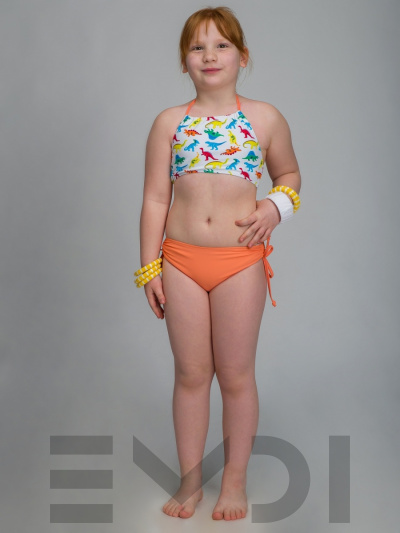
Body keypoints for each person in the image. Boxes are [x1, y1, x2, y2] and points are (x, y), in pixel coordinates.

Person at [136, 6, 301, 521]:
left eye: (222, 45)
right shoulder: (169, 123)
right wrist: (149, 268)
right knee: (190, 374)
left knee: (235, 375)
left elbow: (290, 175)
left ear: (242, 57)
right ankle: (190, 481)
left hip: (238, 263)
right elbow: (155, 199)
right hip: (181, 262)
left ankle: (234, 482)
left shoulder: (265, 118)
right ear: (184, 61)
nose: (209, 55)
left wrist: (274, 208)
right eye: (197, 47)